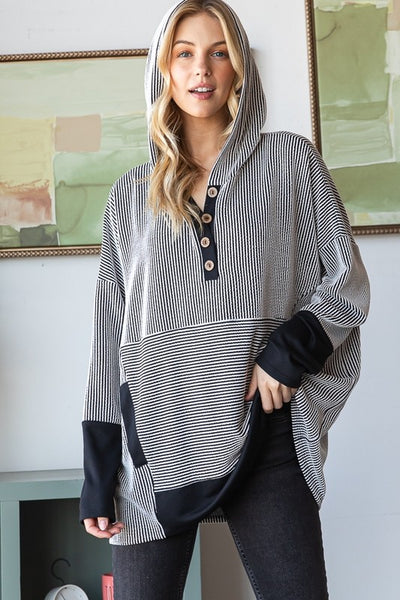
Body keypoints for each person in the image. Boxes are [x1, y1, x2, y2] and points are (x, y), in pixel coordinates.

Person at [80, 0, 370, 598]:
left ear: (239, 67)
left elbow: (346, 278)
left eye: (219, 53)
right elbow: (110, 336)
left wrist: (285, 354)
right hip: (154, 446)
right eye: (184, 54)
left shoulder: (290, 161)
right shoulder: (129, 196)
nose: (201, 69)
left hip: (264, 434)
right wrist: (99, 471)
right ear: (163, 69)